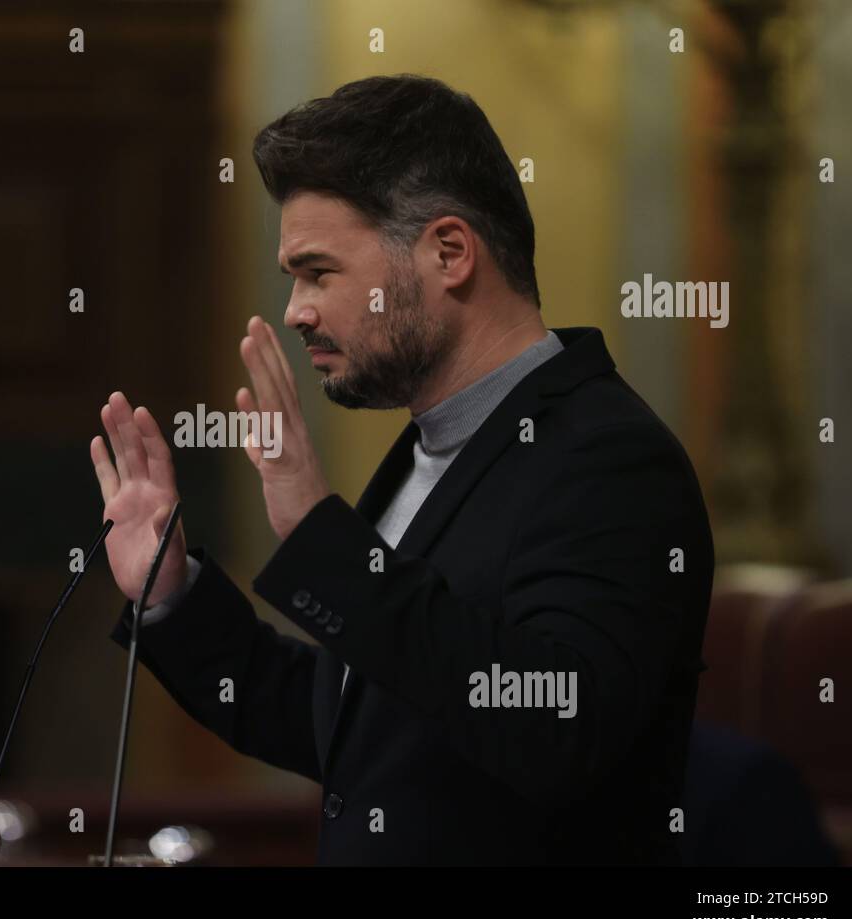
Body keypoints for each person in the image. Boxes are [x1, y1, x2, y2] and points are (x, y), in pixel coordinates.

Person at [88, 74, 714, 865]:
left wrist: (323, 536)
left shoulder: (609, 460)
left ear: (449, 252)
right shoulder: (431, 447)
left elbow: (553, 727)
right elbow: (359, 730)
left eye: (318, 272)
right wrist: (171, 594)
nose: (295, 310)